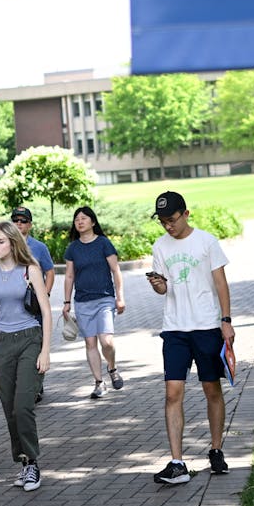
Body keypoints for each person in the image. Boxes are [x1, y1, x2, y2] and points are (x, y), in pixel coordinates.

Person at [146, 191, 234, 486]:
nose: (167, 226)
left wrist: (226, 321)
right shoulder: (160, 246)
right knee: (172, 393)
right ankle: (177, 463)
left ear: (186, 214)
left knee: (212, 390)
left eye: (171, 219)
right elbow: (163, 289)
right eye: (162, 222)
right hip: (174, 328)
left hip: (207, 326)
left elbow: (221, 283)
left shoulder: (207, 242)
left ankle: (216, 449)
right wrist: (159, 285)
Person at [0, 220, 52, 491]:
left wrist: (45, 351)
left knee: (23, 406)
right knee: (9, 410)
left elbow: (45, 311)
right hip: (2, 344)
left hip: (30, 339)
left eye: (0, 242)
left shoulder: (30, 270)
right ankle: (23, 461)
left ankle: (32, 462)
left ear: (12, 242)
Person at [60, 205, 126, 399]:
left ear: (93, 222)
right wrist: (66, 302)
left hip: (105, 298)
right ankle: (99, 382)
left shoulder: (104, 243)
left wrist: (120, 297)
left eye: (84, 218)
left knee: (106, 341)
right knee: (90, 342)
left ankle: (112, 368)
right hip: (82, 301)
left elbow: (116, 270)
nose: (79, 221)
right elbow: (69, 276)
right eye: (76, 219)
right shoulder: (73, 248)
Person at [11, 206, 55, 402]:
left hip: (33, 306)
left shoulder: (39, 248)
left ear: (30, 224)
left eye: (23, 221)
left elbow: (50, 272)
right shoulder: (4, 246)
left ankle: (35, 387)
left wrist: (43, 295)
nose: (19, 224)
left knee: (35, 346)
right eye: (16, 220)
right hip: (12, 307)